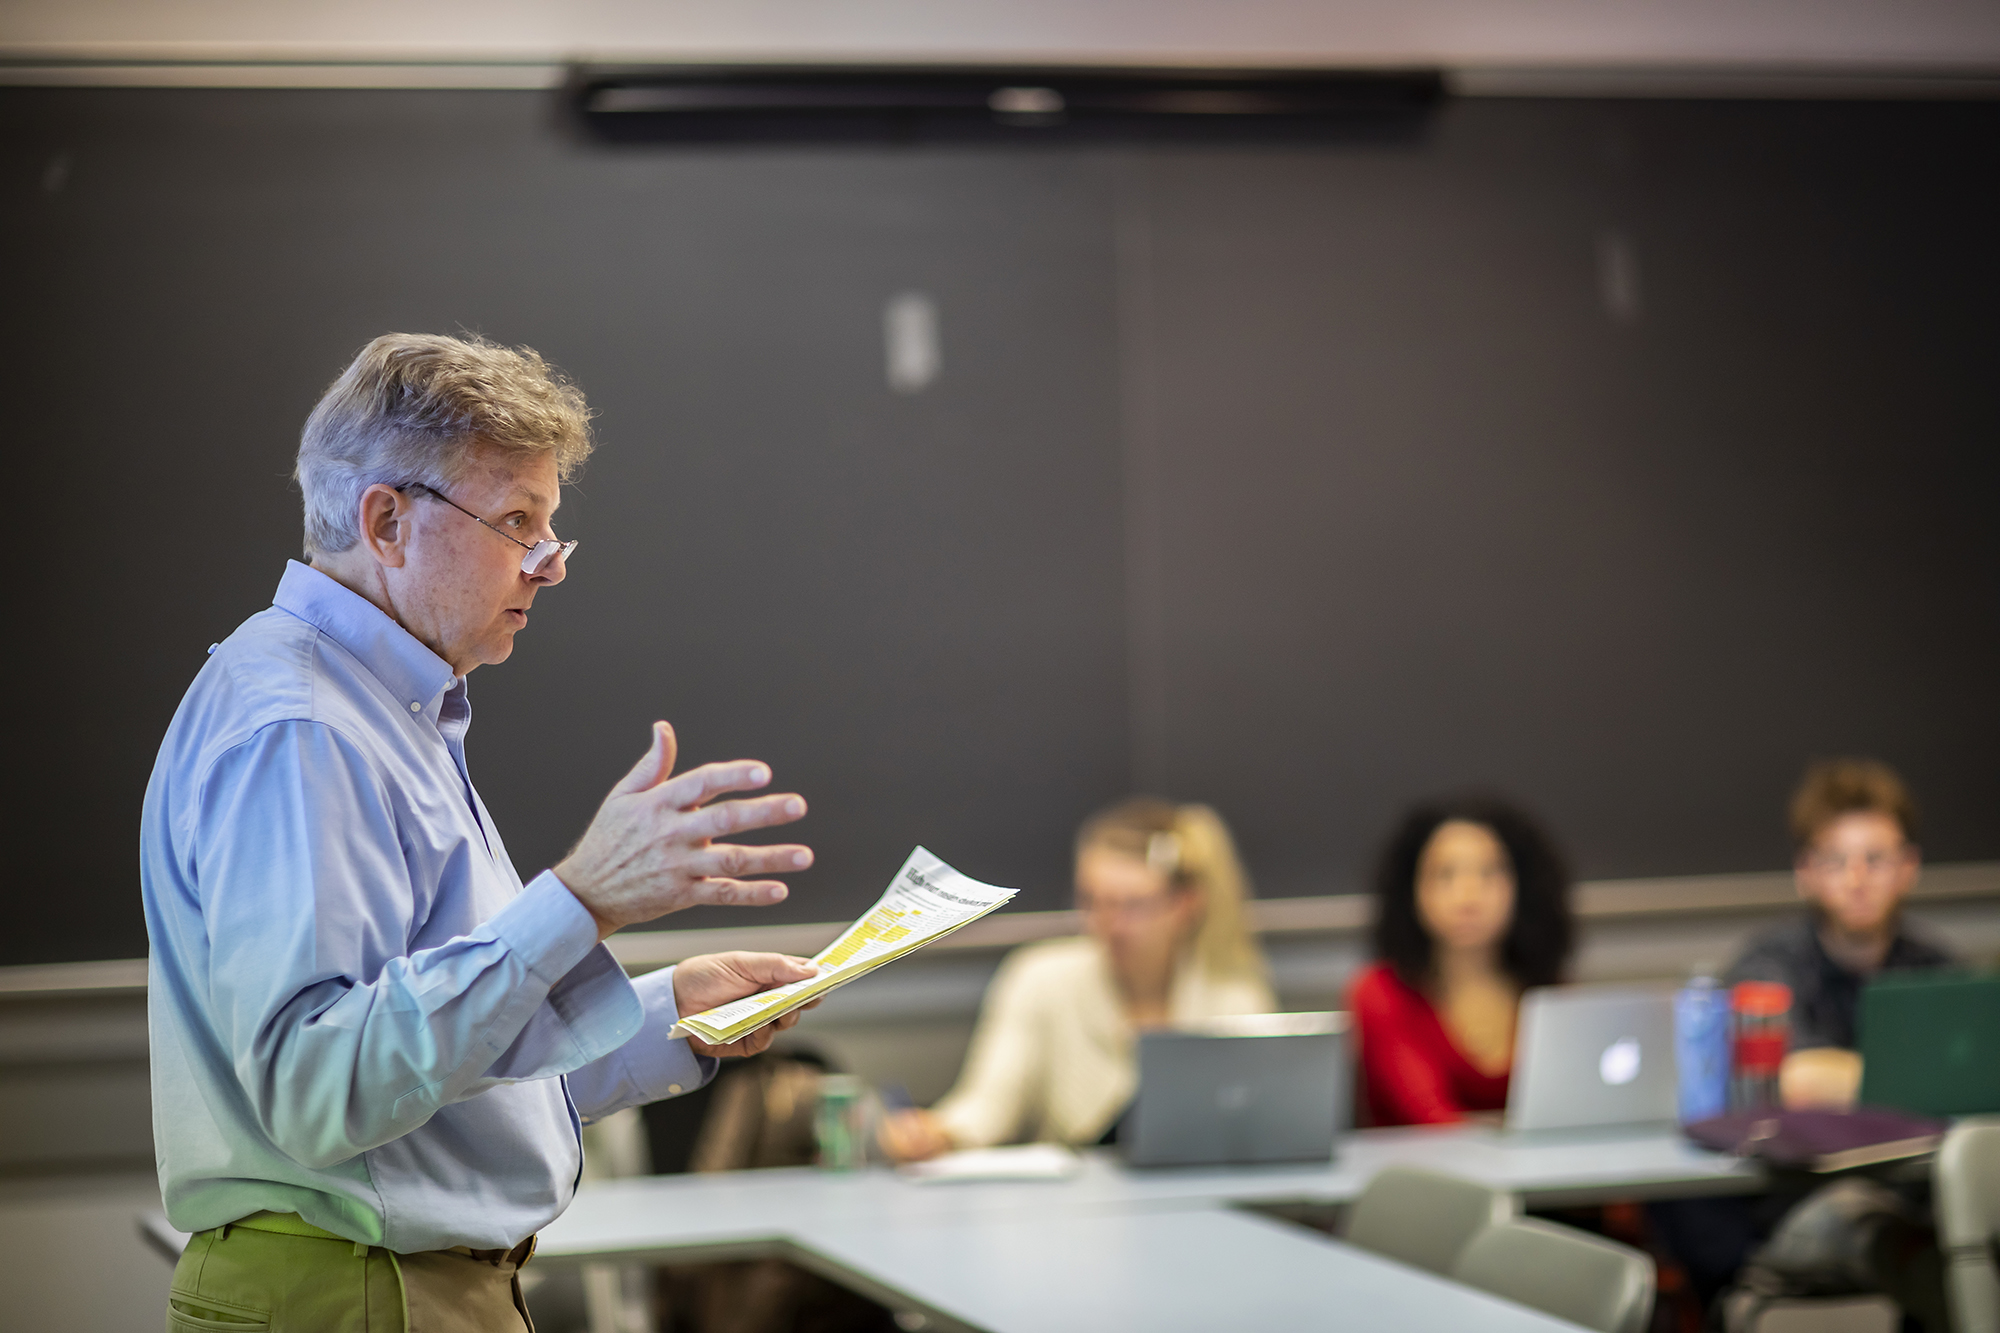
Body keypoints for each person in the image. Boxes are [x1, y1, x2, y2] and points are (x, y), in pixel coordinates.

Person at [142, 333, 822, 1332]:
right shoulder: (302, 726)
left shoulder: (386, 707)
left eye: (550, 528)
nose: (546, 567)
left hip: (399, 1286)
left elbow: (442, 1077)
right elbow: (319, 1087)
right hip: (357, 1295)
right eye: (515, 522)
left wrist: (672, 1012)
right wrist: (577, 900)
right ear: (386, 521)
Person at [877, 798, 1276, 1160]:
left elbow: (1258, 1126)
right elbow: (987, 1105)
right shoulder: (1041, 977)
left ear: (1185, 904)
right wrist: (937, 1134)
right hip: (1071, 1218)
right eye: (1093, 902)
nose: (1110, 925)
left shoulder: (1233, 1000)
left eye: (1133, 906)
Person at [1725, 757, 1952, 1110]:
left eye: (1875, 859)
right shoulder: (1768, 966)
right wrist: (1921, 1078)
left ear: (1909, 867)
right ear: (1805, 872)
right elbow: (1793, 1080)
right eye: (1835, 861)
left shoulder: (1939, 971)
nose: (1856, 880)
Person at [1346, 796, 1575, 1126]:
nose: (1468, 896)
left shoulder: (1549, 990)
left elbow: (1570, 1111)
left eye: (1489, 873)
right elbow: (1431, 1122)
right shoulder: (1381, 994)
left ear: (1522, 887)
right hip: (1424, 1176)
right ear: (1412, 890)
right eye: (1445, 875)